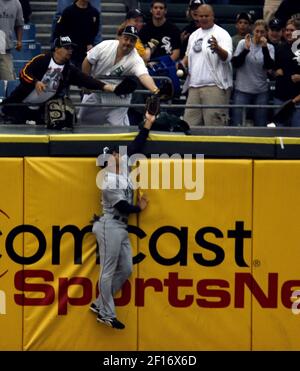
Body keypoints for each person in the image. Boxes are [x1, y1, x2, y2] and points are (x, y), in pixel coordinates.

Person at [90, 107, 157, 329]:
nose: (119, 154)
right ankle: (106, 314)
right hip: (110, 224)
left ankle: (99, 303)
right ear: (108, 159)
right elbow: (122, 206)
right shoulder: (108, 180)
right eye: (114, 154)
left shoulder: (122, 169)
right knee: (107, 270)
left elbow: (137, 144)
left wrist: (148, 123)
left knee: (126, 269)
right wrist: (140, 207)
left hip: (120, 227)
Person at [0, 36, 125, 127]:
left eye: (71, 48)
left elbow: (87, 81)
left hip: (40, 110)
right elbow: (24, 73)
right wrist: (35, 82)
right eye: (67, 48)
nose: (70, 51)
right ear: (56, 49)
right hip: (18, 105)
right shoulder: (42, 60)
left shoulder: (69, 70)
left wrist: (109, 87)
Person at [79, 25, 159, 126]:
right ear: (120, 37)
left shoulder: (136, 59)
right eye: (126, 38)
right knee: (83, 122)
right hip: (96, 93)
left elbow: (144, 76)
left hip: (118, 100)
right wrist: (87, 83)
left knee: (119, 132)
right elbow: (88, 60)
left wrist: (155, 90)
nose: (128, 43)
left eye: (132, 40)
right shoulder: (105, 45)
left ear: (135, 43)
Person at [181, 4, 233, 126]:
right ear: (196, 17)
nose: (204, 18)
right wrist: (181, 65)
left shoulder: (222, 33)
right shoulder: (193, 35)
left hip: (215, 87)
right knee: (188, 126)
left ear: (213, 16)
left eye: (207, 16)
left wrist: (218, 48)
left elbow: (228, 58)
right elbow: (187, 56)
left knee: (215, 127)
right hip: (194, 87)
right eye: (201, 16)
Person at [231, 20, 275, 126]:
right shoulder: (243, 43)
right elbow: (236, 64)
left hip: (261, 91)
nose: (259, 34)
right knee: (238, 123)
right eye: (257, 31)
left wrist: (264, 48)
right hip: (242, 89)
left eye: (262, 32)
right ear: (252, 31)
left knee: (261, 124)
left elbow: (269, 66)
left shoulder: (269, 47)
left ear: (266, 33)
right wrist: (246, 49)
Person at [53, 0, 100, 67]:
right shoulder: (68, 11)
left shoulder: (94, 13)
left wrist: (90, 42)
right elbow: (60, 30)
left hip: (85, 52)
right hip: (71, 51)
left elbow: (94, 30)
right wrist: (66, 47)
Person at [0, 0, 24, 80]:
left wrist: (19, 41)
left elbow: (19, 24)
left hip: (6, 50)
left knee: (9, 82)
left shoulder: (16, 3)